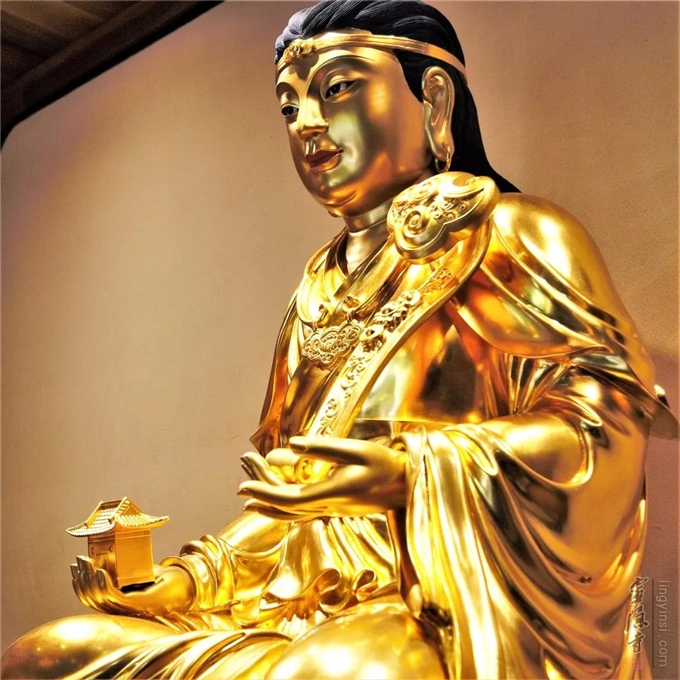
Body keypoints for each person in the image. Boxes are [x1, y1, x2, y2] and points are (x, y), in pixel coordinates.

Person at [2, 1, 676, 678]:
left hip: (434, 602)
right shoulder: (317, 288)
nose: (307, 122)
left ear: (434, 99)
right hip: (293, 610)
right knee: (49, 655)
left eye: (338, 87)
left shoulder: (510, 232)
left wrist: (411, 473)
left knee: (334, 670)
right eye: (289, 105)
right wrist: (189, 581)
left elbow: (609, 426)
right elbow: (290, 496)